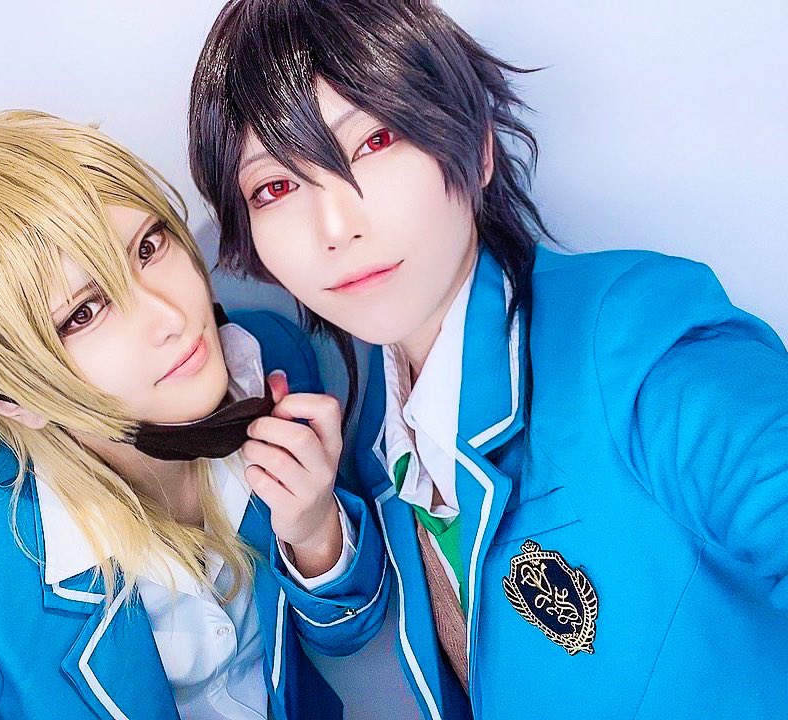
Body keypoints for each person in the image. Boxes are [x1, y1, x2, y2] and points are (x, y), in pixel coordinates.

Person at [187, 1, 788, 718]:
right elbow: (355, 624)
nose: (335, 227)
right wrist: (315, 530)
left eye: (375, 140)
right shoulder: (378, 414)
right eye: (276, 187)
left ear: (476, 149)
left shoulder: (638, 344)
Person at [0, 109, 389, 719]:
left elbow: (345, 631)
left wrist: (314, 533)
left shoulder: (268, 361)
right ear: (13, 399)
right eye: (83, 314)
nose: (172, 317)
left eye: (148, 248)